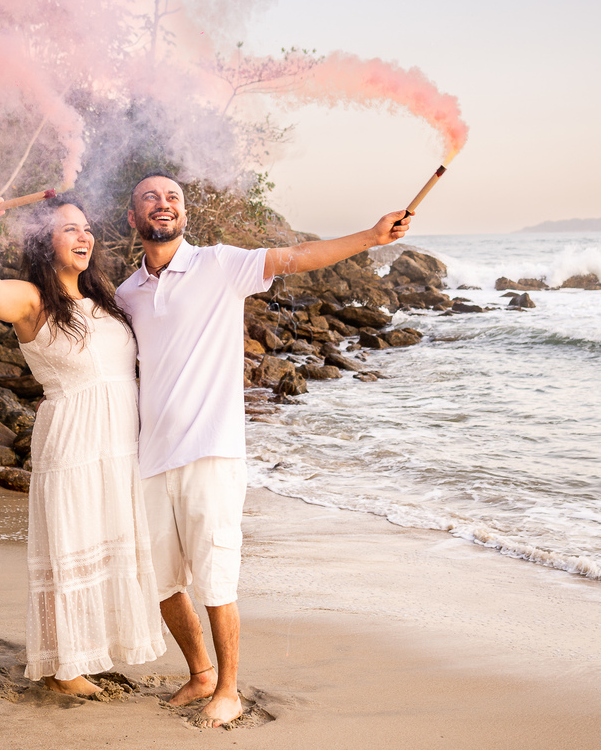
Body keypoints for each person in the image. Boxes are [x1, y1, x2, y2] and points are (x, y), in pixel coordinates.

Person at [116, 172, 410, 727]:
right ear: (133, 218)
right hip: (150, 456)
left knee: (216, 577)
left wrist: (370, 236)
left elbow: (298, 256)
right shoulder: (126, 294)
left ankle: (228, 689)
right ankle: (200, 672)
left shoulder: (220, 265)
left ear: (184, 214)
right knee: (160, 581)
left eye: (173, 197)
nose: (164, 203)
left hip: (212, 451)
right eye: (151, 197)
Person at [0, 194, 166, 697]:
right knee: (71, 548)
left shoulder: (105, 301)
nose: (83, 237)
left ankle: (89, 654)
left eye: (86, 228)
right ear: (43, 243)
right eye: (68, 229)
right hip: (73, 443)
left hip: (119, 445)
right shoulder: (32, 300)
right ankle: (64, 669)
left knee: (108, 543)